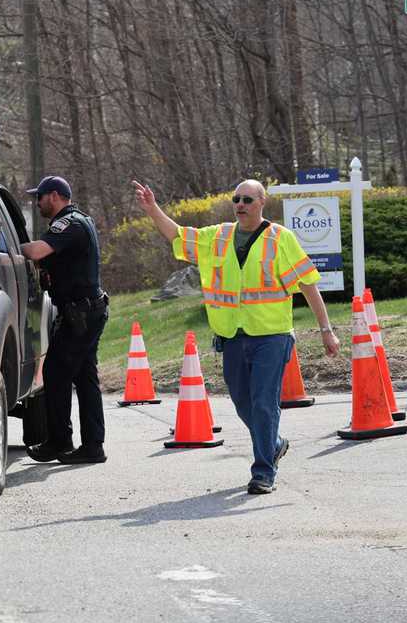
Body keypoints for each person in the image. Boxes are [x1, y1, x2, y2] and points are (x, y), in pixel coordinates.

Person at [133, 179, 341, 494]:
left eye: (247, 199)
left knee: (263, 403)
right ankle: (273, 443)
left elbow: (308, 283)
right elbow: (177, 234)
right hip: (232, 336)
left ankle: (263, 472)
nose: (240, 204)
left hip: (272, 336)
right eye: (236, 199)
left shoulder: (280, 239)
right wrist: (152, 209)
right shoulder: (217, 237)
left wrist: (327, 330)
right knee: (242, 401)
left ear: (262, 203)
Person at [19, 175, 110, 465]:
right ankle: (93, 446)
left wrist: (9, 247)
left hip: (80, 314)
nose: (37, 202)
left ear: (55, 196)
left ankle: (59, 442)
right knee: (84, 378)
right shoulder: (78, 221)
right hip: (86, 311)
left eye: (41, 197)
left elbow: (35, 251)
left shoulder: (68, 223)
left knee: (56, 373)